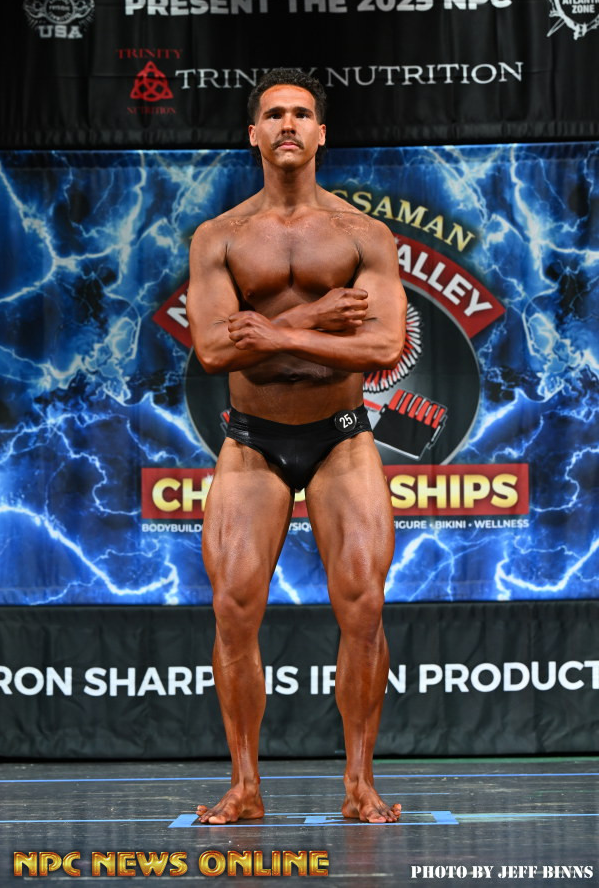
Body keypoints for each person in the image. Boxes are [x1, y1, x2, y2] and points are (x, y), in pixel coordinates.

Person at [186, 68, 407, 824]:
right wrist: (317, 319)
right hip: (252, 442)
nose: (288, 124)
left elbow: (383, 345)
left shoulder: (362, 235)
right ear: (253, 133)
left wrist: (273, 332)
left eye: (302, 114)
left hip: (341, 440)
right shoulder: (219, 237)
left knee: (364, 606)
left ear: (321, 134)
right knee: (232, 607)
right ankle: (245, 787)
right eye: (274, 113)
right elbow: (215, 351)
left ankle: (359, 783)